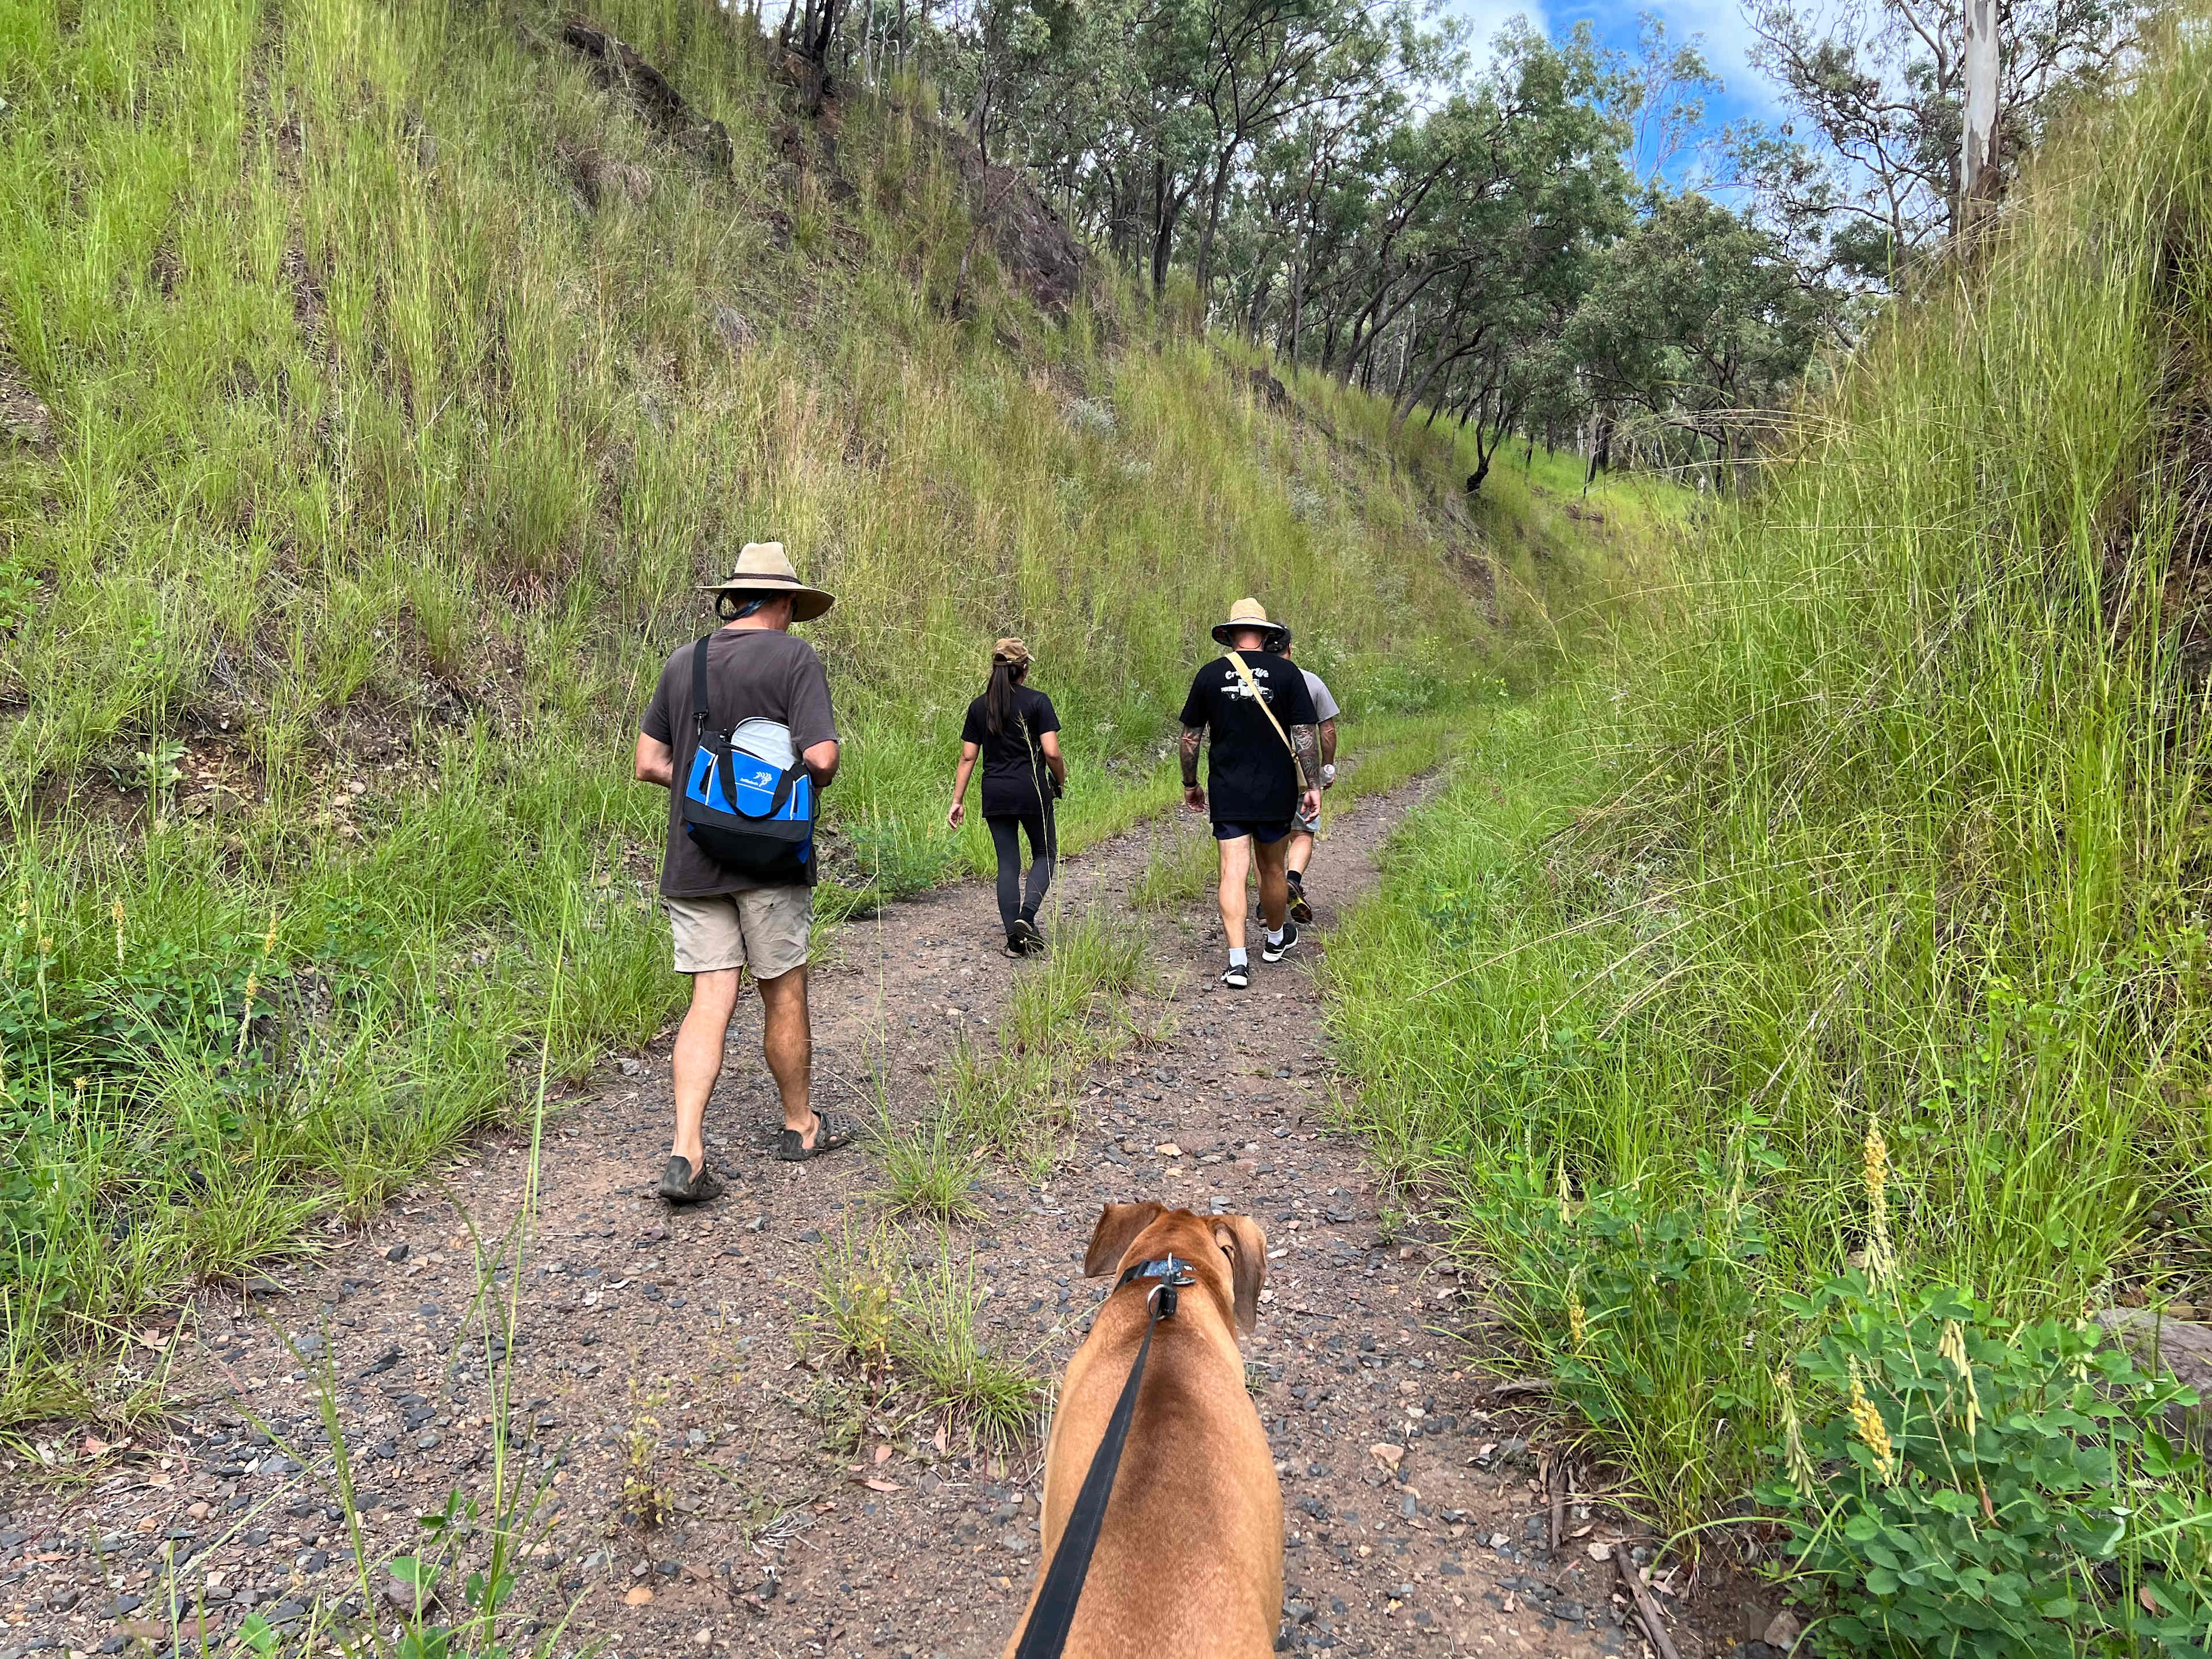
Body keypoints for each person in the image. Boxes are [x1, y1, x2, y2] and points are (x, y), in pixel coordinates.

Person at [635, 542, 855, 1202]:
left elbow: (649, 762)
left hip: (695, 857)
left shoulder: (686, 661)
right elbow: (821, 758)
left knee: (709, 1000)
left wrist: (715, 790)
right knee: (783, 990)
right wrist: (761, 791)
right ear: (783, 602)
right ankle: (800, 1126)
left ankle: (687, 1151)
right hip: (773, 862)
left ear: (735, 598)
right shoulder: (795, 658)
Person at [1177, 598, 1323, 990]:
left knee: (1232, 871)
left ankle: (1237, 963)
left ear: (1230, 634)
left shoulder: (1209, 675)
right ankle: (1275, 940)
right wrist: (1313, 786)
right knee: (1274, 870)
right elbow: (1305, 736)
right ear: (1264, 634)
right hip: (1275, 788)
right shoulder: (1288, 673)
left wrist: (1191, 785)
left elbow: (1191, 738)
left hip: (1228, 787)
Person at [947, 638, 1066, 956]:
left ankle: (1015, 939)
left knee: (1008, 864)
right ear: (1023, 669)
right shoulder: (1038, 702)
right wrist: (1060, 780)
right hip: (1032, 791)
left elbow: (968, 758)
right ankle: (1026, 918)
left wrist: (957, 800)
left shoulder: (979, 706)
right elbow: (1052, 752)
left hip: (995, 792)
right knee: (1044, 853)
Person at [1279, 638, 1339, 925]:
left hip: (1265, 772)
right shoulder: (1311, 682)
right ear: (1289, 649)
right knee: (1302, 832)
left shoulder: (1253, 681)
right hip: (1304, 771)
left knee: (1270, 837)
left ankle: (1271, 890)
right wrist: (1327, 766)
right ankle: (1292, 880)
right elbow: (1327, 730)